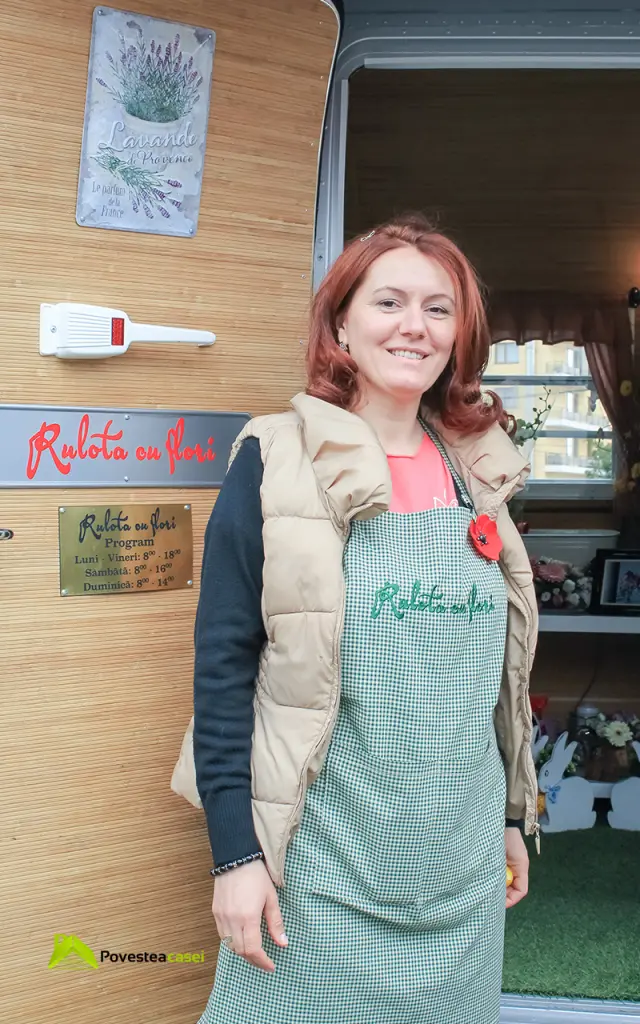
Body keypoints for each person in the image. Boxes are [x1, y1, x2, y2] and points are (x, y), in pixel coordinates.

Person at [174, 213, 540, 1024]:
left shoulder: (481, 472)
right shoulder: (274, 458)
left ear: (459, 336)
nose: (415, 326)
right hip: (319, 867)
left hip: (461, 864)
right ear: (341, 323)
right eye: (389, 302)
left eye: (439, 309)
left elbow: (495, 680)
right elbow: (224, 668)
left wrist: (512, 817)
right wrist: (235, 856)